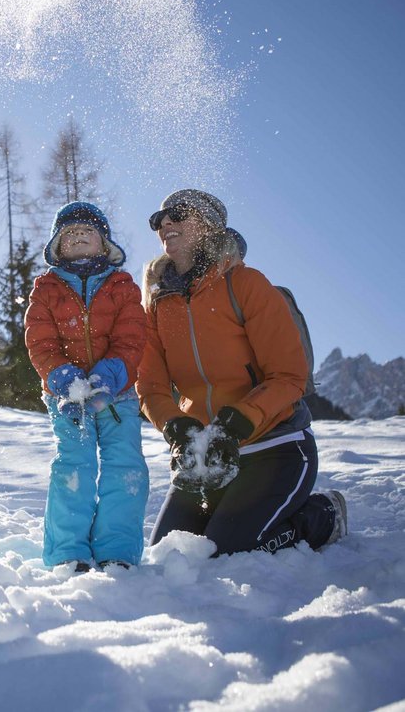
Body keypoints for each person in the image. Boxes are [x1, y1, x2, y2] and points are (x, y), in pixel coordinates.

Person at [137, 189, 347, 556]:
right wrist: (177, 426)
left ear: (208, 227)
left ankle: (323, 516)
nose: (165, 224)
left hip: (275, 447)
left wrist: (234, 425)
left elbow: (289, 376)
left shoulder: (246, 285)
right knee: (170, 556)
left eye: (177, 215)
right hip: (206, 455)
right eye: (159, 220)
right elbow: (151, 386)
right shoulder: (157, 307)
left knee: (229, 552)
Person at [24, 202, 149, 572]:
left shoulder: (122, 286)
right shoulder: (45, 289)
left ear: (104, 243)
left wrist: (110, 374)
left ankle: (117, 550)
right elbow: (40, 340)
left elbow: (132, 336)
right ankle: (67, 551)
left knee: (124, 464)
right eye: (70, 233)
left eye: (87, 232)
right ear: (57, 246)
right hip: (68, 396)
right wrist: (61, 376)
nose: (78, 236)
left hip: (118, 393)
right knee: (73, 464)